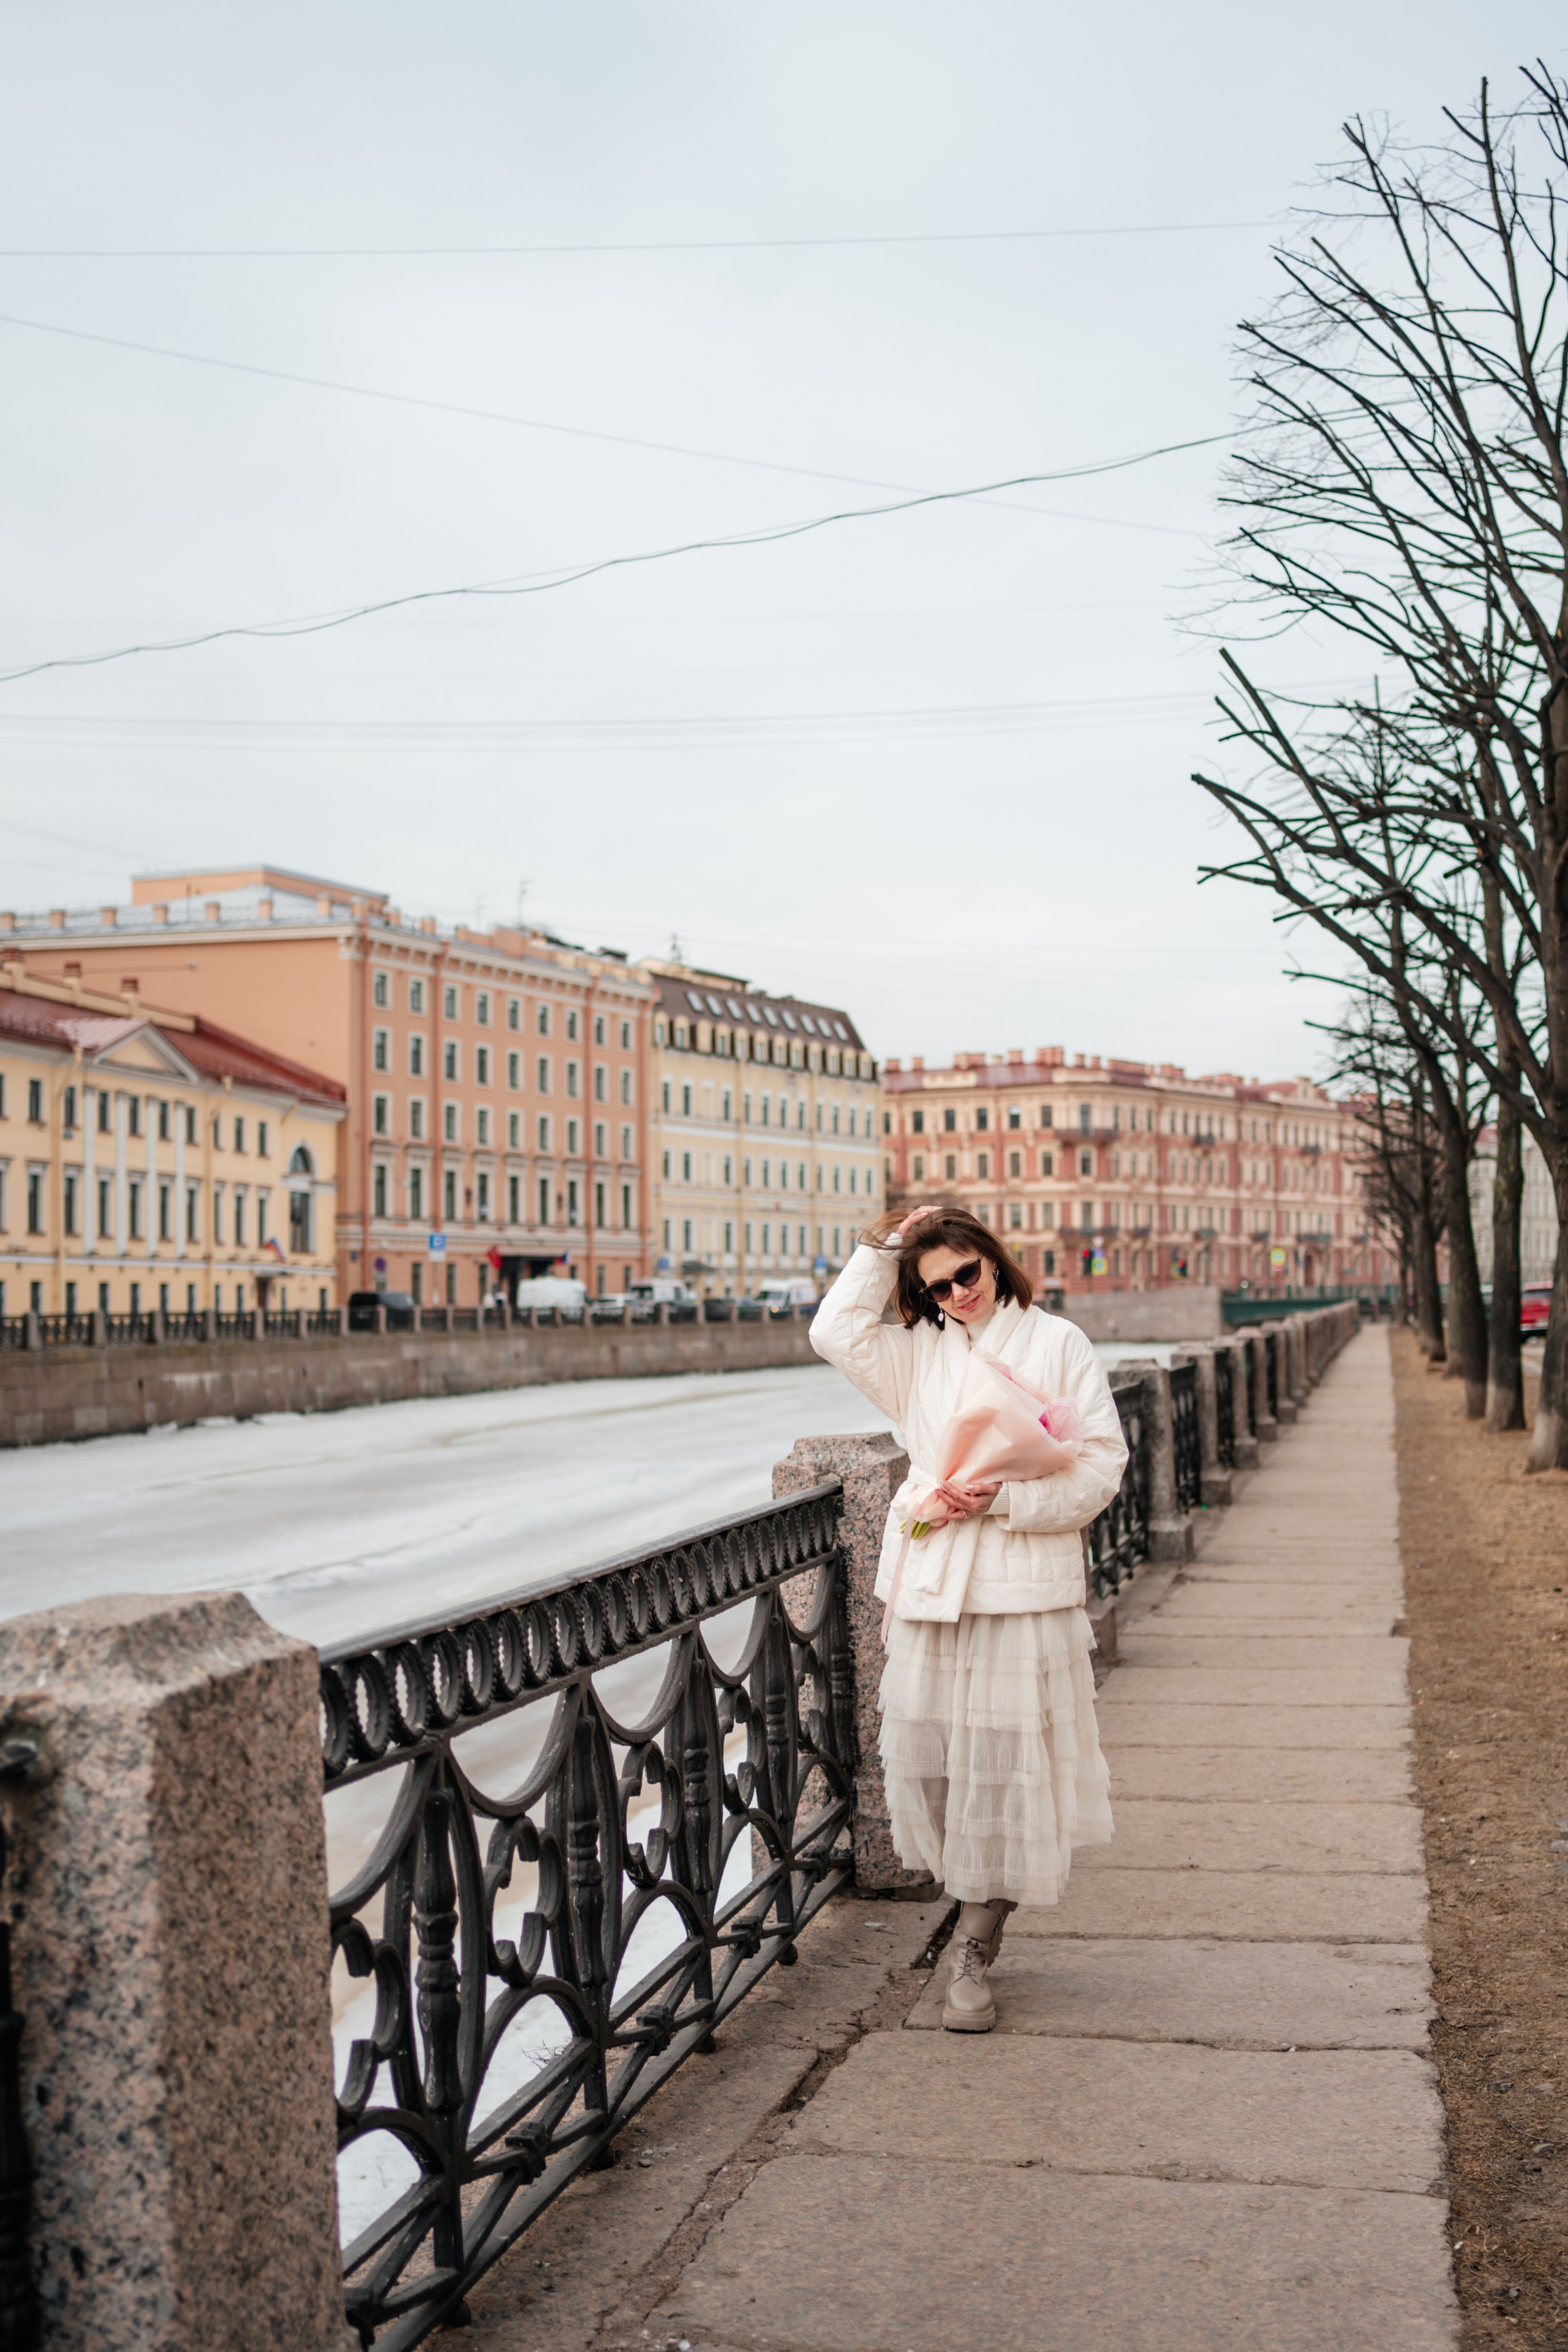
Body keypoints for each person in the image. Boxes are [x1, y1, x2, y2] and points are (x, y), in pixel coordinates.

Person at [810, 1204, 1127, 2030]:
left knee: (1006, 1775)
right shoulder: (914, 1357)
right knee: (932, 1769)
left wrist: (1007, 1499)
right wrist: (884, 1248)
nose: (956, 1294)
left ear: (993, 1261)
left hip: (1021, 1590)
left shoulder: (1059, 1344)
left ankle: (972, 1950)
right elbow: (836, 1331)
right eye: (937, 1286)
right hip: (933, 1583)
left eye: (966, 1274)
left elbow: (1102, 1469)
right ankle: (970, 1917)